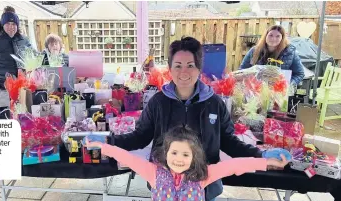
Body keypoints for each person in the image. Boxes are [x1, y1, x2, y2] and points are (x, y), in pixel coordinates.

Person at [88, 36, 290, 201]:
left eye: (190, 65)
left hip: (204, 185)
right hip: (164, 184)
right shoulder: (158, 102)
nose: (183, 72)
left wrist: (261, 156)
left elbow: (230, 143)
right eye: (177, 65)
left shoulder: (215, 103)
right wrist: (108, 141)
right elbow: (139, 137)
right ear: (170, 68)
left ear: (199, 68)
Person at [84, 126, 290, 201]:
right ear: (166, 153)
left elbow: (236, 165)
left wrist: (266, 161)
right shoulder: (153, 173)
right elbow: (126, 157)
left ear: (194, 157)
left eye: (185, 154)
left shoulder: (202, 176)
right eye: (174, 152)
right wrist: (103, 146)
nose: (178, 159)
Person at [239, 25, 305, 86]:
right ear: (266, 36)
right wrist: (248, 82)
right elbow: (242, 70)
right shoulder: (254, 51)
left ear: (282, 38)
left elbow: (299, 74)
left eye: (277, 36)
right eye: (270, 35)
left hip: (279, 93)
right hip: (255, 92)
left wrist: (288, 85)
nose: (273, 39)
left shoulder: (290, 53)